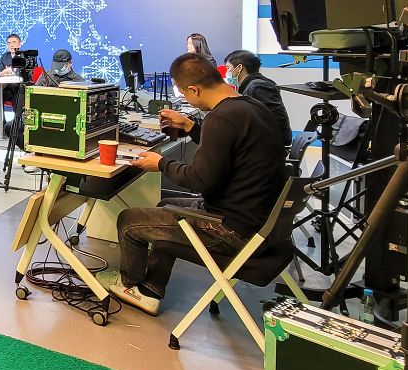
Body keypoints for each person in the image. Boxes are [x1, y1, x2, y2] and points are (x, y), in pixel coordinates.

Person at [96, 53, 287, 316]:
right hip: (259, 222)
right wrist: (190, 126)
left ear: (194, 89)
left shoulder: (221, 118)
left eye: (185, 93)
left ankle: (131, 285)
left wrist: (161, 163)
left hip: (231, 230)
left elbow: (200, 180)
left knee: (129, 220)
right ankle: (151, 288)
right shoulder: (250, 107)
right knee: (166, 206)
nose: (186, 99)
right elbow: (227, 151)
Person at [224, 49, 293, 146]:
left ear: (239, 68)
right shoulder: (251, 86)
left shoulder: (258, 87)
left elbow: (274, 120)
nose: (227, 72)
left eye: (228, 68)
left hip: (268, 146)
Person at [0, 33, 23, 113]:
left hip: (20, 88)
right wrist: (1, 73)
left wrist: (13, 73)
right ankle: (1, 120)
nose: (11, 45)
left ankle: (18, 120)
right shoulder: (4, 56)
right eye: (9, 43)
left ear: (20, 44)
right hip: (8, 87)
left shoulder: (25, 56)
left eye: (14, 42)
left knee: (17, 99)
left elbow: (29, 74)